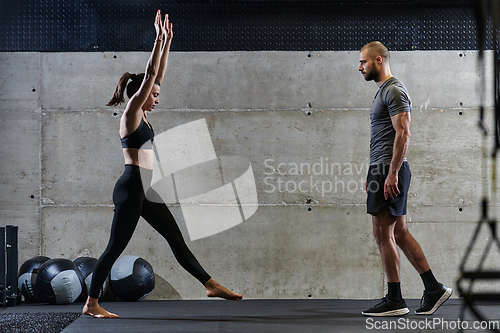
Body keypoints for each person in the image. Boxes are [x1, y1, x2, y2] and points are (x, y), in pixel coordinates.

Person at [83, 10, 242, 319]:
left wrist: (169, 41)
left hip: (146, 188)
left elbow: (159, 74)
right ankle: (91, 304)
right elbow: (152, 74)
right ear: (139, 95)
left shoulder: (145, 116)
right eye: (152, 94)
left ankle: (210, 284)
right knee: (114, 248)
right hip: (131, 188)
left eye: (157, 95)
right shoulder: (131, 114)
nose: (156, 98)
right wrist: (157, 38)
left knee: (175, 237)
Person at [358, 41, 452, 316]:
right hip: (382, 168)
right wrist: (374, 172)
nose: (359, 67)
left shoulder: (394, 91)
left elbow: (403, 133)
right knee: (398, 232)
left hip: (389, 168)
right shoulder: (384, 92)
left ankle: (395, 300)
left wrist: (391, 173)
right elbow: (385, 137)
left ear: (378, 60)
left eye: (363, 62)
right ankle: (433, 289)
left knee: (382, 234)